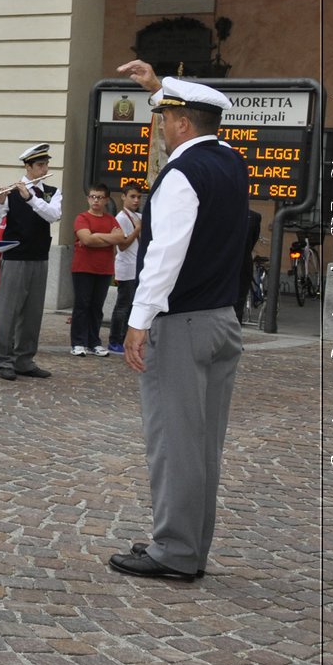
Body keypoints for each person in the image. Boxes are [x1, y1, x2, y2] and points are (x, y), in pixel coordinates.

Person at [107, 62, 249, 582]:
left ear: (182, 124)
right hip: (221, 319)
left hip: (181, 322)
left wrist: (137, 321)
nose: (160, 129)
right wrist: (158, 86)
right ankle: (191, 544)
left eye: (164, 119)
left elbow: (164, 255)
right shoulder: (232, 163)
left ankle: (175, 550)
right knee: (204, 443)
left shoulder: (181, 175)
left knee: (173, 442)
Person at [0, 143, 61, 381]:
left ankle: (24, 360)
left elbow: (53, 215)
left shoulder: (51, 191)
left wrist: (31, 198)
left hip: (39, 257)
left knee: (33, 313)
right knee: (9, 312)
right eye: (40, 165)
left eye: (46, 164)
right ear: (28, 167)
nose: (44, 168)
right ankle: (3, 360)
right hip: (15, 257)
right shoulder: (11, 192)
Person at [70, 183, 127, 356]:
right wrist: (107, 239)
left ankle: (94, 342)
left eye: (100, 197)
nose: (96, 200)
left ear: (106, 200)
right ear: (88, 199)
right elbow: (86, 240)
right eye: (93, 196)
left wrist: (97, 236)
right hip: (83, 268)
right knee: (82, 305)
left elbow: (120, 238)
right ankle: (78, 343)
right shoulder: (82, 218)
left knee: (97, 307)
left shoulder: (111, 220)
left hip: (104, 269)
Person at [107, 183, 144, 353]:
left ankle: (124, 338)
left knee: (131, 306)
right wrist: (137, 230)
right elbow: (122, 245)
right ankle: (115, 339)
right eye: (132, 196)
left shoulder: (138, 215)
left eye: (138, 197)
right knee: (123, 305)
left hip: (136, 266)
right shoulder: (121, 217)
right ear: (123, 197)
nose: (136, 200)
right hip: (126, 266)